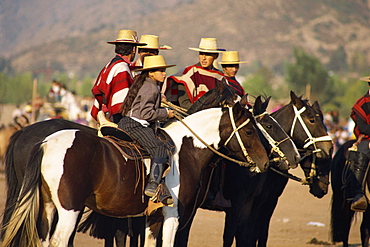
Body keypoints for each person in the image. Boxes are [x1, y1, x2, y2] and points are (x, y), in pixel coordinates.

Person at [118, 55, 175, 199]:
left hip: (126, 122)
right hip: (135, 125)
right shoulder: (152, 88)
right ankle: (153, 185)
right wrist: (166, 113)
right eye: (160, 70)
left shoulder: (144, 83)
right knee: (159, 148)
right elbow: (146, 113)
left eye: (164, 70)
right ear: (151, 73)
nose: (164, 73)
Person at [90, 29, 147, 123]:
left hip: (107, 113)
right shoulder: (122, 67)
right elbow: (120, 102)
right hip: (114, 117)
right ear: (133, 49)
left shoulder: (111, 64)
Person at [162, 37, 225, 109]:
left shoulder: (220, 76)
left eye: (207, 54)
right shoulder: (187, 73)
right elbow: (184, 103)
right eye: (201, 54)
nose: (203, 58)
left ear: (216, 56)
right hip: (191, 116)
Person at [348, 75, 370, 212]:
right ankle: (358, 193)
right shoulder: (362, 103)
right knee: (364, 150)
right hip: (367, 138)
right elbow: (362, 127)